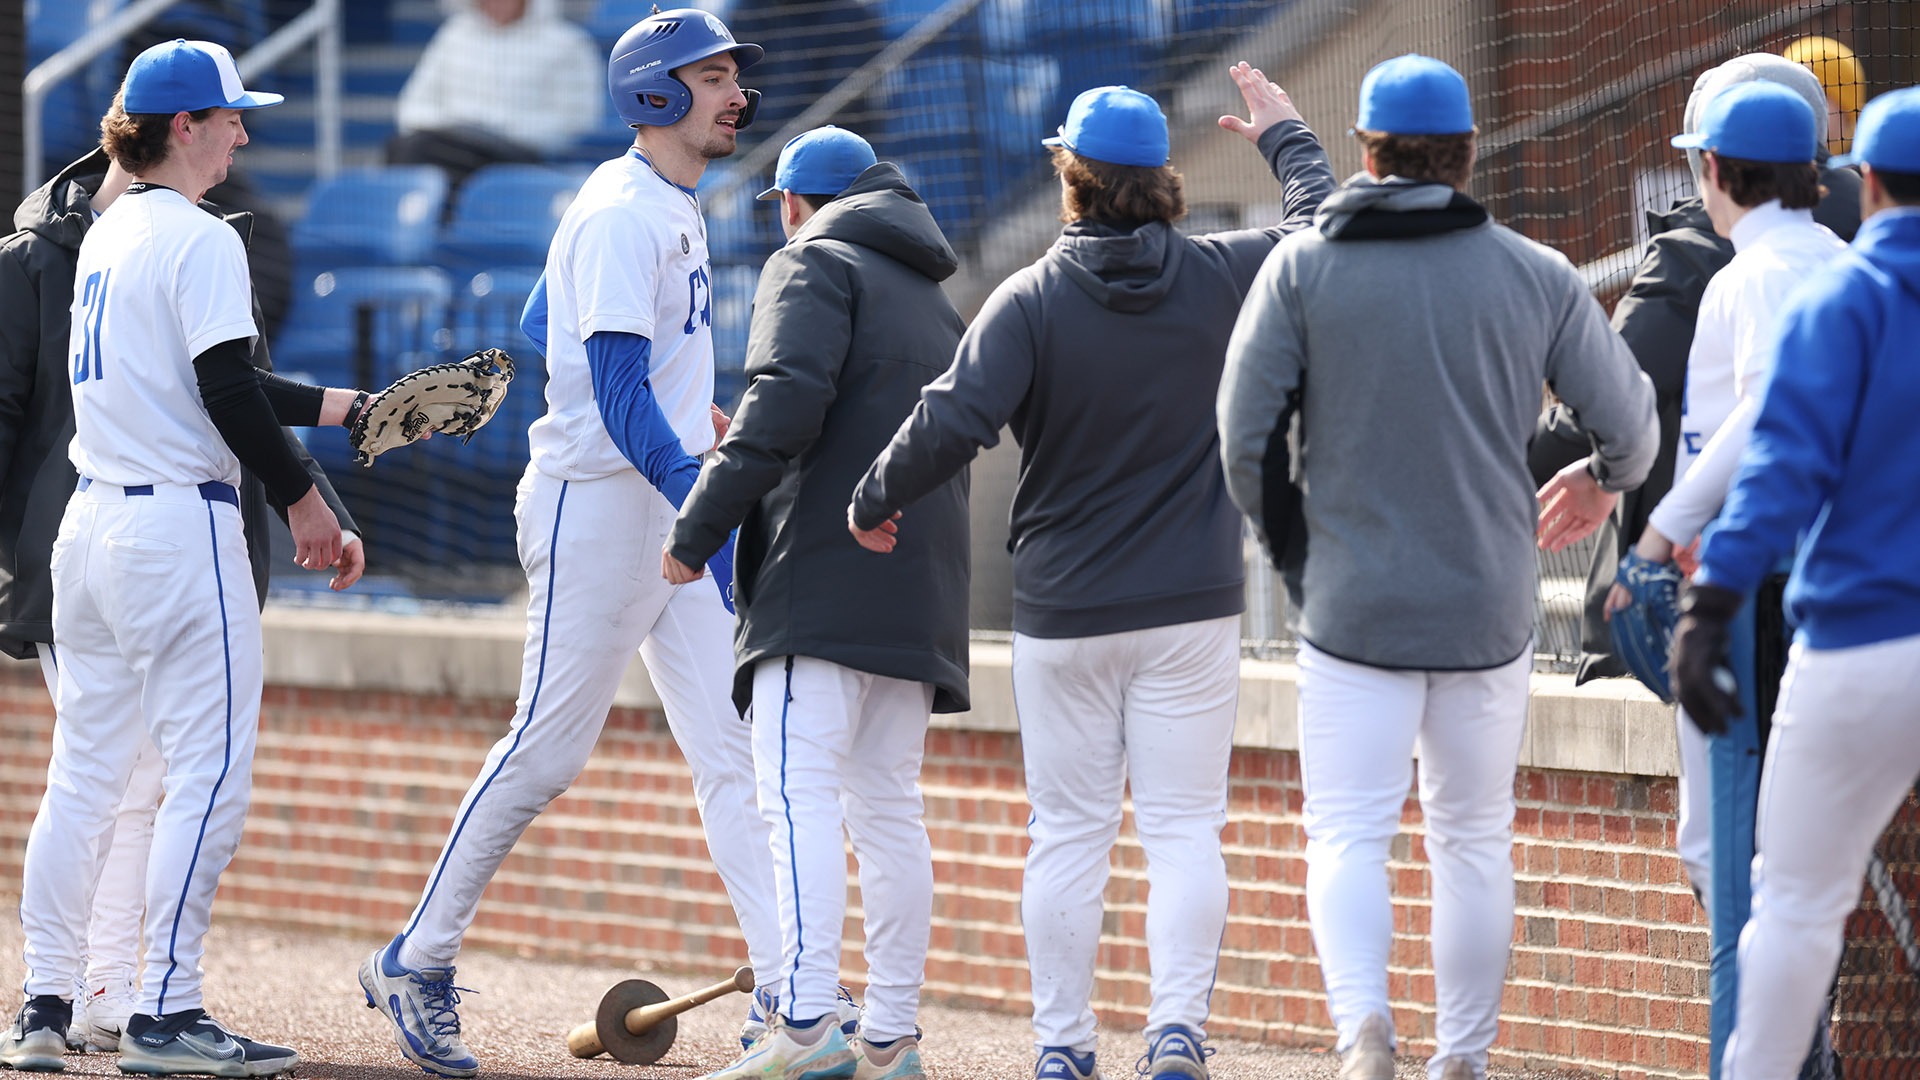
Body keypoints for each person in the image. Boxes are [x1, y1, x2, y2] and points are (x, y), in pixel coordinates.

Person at [850, 66, 1335, 1080]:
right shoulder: (1222, 271)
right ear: (1161, 178)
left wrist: (872, 500)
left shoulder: (1030, 299)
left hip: (1066, 612)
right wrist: (1287, 139)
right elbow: (1325, 232)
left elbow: (950, 421)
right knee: (1184, 829)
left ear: (1071, 178)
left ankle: (1066, 1049)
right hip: (1194, 603)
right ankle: (1174, 1038)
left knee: (1068, 834)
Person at [357, 11, 784, 1077]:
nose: (738, 94)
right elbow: (615, 385)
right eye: (714, 76)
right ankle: (416, 956)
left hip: (659, 493)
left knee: (736, 756)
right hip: (597, 508)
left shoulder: (665, 201)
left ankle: (790, 994)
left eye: (737, 75)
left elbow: (559, 320)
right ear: (653, 92)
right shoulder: (620, 210)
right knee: (548, 748)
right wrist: (699, 487)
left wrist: (698, 425)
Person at [1219, 55, 1656, 1080]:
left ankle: (1364, 1034)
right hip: (1487, 610)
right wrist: (1599, 478)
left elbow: (1244, 444)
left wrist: (1296, 558)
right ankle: (1461, 1058)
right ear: (1466, 153)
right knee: (1470, 839)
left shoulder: (1304, 267)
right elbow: (1634, 426)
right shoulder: (1534, 270)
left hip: (1351, 608)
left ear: (1366, 152)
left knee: (1348, 837)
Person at [0, 38, 379, 1077]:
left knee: (81, 781)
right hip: (178, 530)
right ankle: (165, 1014)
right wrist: (304, 498)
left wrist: (353, 410)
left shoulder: (112, 227)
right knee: (205, 775)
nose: (242, 133)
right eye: (228, 116)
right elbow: (223, 387)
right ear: (183, 126)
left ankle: (43, 1003)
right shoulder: (203, 238)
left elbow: (210, 377)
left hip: (92, 528)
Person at [661, 125, 967, 1080]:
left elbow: (787, 406)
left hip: (818, 580)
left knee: (795, 802)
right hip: (918, 587)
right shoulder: (931, 292)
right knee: (887, 810)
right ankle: (890, 1036)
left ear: (797, 203)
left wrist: (694, 531)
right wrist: (749, 438)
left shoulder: (812, 262)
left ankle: (801, 1024)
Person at [1529, 58, 1861, 935]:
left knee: (1729, 850)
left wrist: (1657, 524)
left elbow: (1765, 416)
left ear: (1711, 167)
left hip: (1746, 585)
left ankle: (1766, 1053)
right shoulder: (1848, 258)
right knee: (1797, 850)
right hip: (1843, 578)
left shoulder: (1734, 273)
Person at [1669, 85, 1920, 1080]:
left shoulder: (1845, 297)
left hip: (1859, 644)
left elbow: (1782, 466)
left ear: (1864, 184)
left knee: (1797, 904)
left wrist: (1713, 599)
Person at [387, 0, 603, 192]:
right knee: (407, 148)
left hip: (518, 154)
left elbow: (575, 119)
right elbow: (414, 104)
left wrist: (494, 129)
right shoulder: (454, 34)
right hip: (448, 143)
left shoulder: (567, 43)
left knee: (418, 151)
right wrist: (456, 128)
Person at [1783, 35, 1867, 157]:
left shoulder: (1870, 166)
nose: (1803, 105)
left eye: (1818, 94)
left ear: (1847, 107)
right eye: (1794, 95)